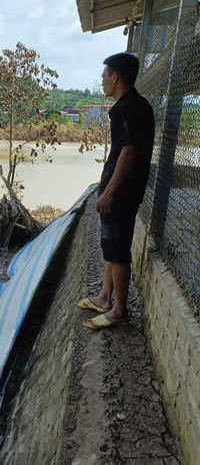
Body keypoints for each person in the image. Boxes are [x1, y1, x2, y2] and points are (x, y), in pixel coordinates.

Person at [76, 53, 155, 329]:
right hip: (123, 189)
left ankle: (119, 309)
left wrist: (109, 191)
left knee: (118, 248)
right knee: (111, 243)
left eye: (104, 77)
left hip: (121, 192)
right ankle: (105, 296)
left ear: (115, 77)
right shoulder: (134, 105)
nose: (102, 83)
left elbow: (128, 151)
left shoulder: (128, 108)